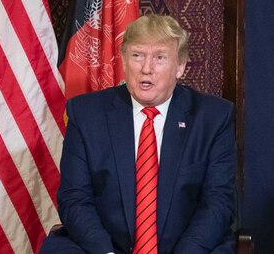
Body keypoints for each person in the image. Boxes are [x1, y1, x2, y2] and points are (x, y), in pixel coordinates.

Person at [41, 15, 236, 253]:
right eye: (137, 56)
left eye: (160, 58)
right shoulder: (86, 114)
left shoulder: (213, 118)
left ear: (180, 67)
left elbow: (218, 203)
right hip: (105, 246)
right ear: (123, 60)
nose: (146, 68)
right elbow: (74, 198)